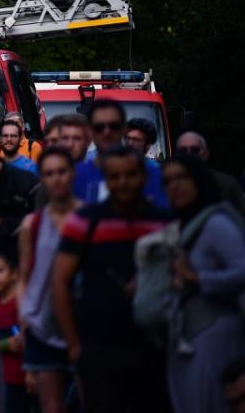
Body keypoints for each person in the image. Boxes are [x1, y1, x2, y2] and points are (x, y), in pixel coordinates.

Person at [51, 145, 170, 413]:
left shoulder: (163, 221)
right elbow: (60, 281)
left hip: (153, 348)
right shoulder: (85, 222)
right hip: (99, 349)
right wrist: (74, 346)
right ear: (106, 179)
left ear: (143, 176)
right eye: (115, 176)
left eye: (130, 175)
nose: (123, 183)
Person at [162, 155, 245, 413]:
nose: (174, 186)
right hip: (185, 337)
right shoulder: (178, 225)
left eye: (181, 178)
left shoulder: (216, 223)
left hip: (213, 335)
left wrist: (198, 278)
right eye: (168, 181)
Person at [17, 148, 80, 413]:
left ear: (72, 174)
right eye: (49, 173)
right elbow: (24, 277)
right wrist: (23, 325)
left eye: (62, 172)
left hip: (83, 324)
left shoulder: (89, 219)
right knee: (50, 405)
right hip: (41, 326)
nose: (56, 179)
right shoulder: (32, 224)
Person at [73, 100, 167, 210]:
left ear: (123, 130)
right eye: (99, 127)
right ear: (90, 131)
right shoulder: (75, 175)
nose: (107, 132)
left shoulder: (153, 173)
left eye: (114, 126)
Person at [0, 252, 31, 413]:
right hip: (10, 378)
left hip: (32, 373)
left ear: (14, 274)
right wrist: (7, 344)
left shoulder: (21, 301)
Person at [174, 130, 245, 214]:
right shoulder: (165, 182)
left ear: (205, 154)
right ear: (176, 154)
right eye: (183, 150)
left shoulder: (226, 184)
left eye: (195, 150)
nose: (189, 154)